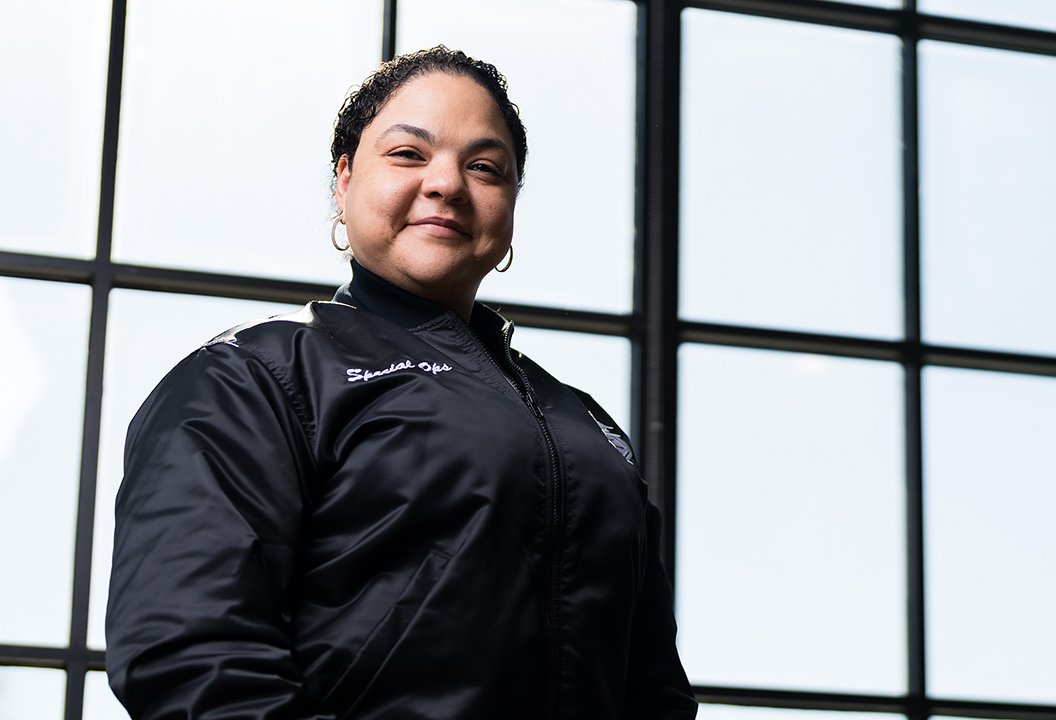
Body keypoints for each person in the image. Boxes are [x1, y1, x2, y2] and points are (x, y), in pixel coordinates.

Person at [105, 46, 697, 719]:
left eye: (484, 167)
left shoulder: (584, 424)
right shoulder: (254, 376)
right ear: (344, 180)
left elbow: (654, 689)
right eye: (409, 154)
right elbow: (193, 654)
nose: (447, 184)